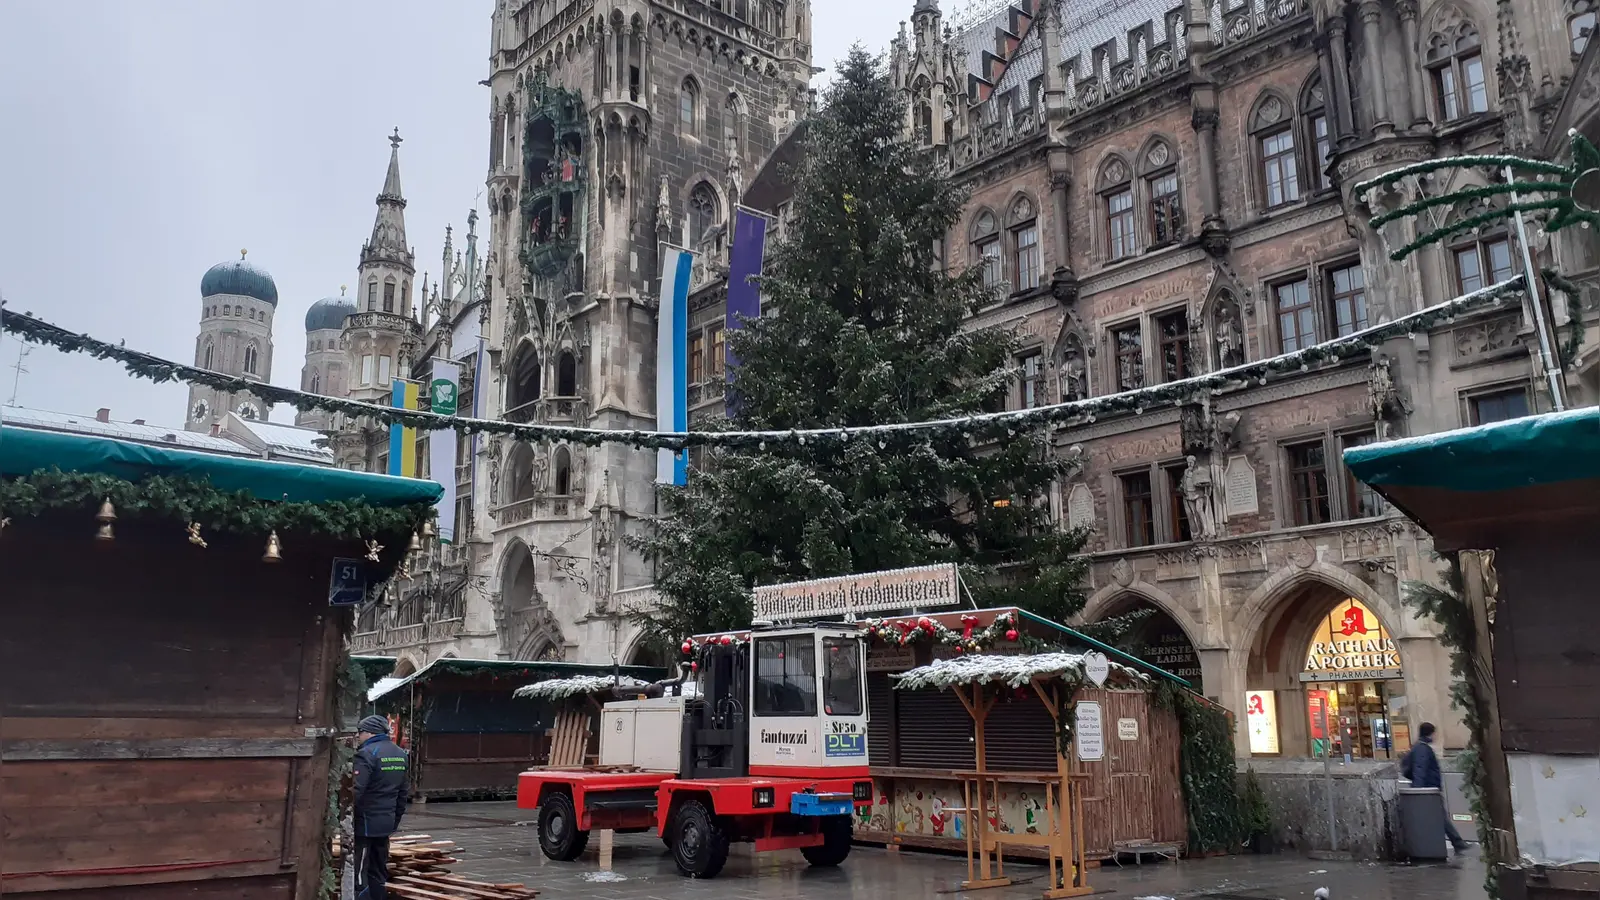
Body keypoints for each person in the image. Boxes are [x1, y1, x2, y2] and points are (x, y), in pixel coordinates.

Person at [353, 715, 410, 900]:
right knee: (378, 868)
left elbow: (356, 790)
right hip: (386, 823)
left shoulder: (367, 753)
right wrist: (395, 821)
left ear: (370, 732)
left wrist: (344, 819)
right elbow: (403, 793)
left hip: (365, 824)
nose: (358, 736)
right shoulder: (400, 754)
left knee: (360, 871)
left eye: (360, 732)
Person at [1401, 721, 1467, 853]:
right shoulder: (1423, 749)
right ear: (1430, 733)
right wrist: (1420, 791)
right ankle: (1457, 843)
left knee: (1437, 817)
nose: (1436, 736)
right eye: (1434, 733)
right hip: (1429, 790)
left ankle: (1456, 842)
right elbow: (1420, 769)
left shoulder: (1419, 747)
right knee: (1440, 817)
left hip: (1427, 789)